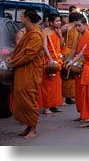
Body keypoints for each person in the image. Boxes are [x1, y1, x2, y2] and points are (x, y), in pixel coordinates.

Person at [7, 9, 44, 139]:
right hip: (22, 71)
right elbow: (20, 51)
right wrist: (12, 58)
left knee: (29, 99)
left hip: (30, 73)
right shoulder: (28, 33)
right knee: (22, 99)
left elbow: (28, 55)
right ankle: (28, 126)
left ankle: (33, 129)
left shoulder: (36, 35)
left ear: (27, 18)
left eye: (21, 17)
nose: (20, 19)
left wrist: (13, 63)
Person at [66, 13, 89, 122]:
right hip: (77, 65)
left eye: (79, 25)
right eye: (76, 26)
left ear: (85, 25)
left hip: (84, 66)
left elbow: (85, 52)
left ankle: (87, 115)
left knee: (85, 92)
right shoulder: (80, 35)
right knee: (78, 92)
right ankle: (82, 113)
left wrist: (76, 62)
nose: (77, 28)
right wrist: (68, 60)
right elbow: (74, 49)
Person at [41, 13, 64, 115]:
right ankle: (46, 108)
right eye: (57, 21)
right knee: (48, 85)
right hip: (49, 60)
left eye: (59, 21)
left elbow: (61, 45)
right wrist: (50, 59)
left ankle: (54, 105)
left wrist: (60, 36)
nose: (59, 23)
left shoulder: (57, 31)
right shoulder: (45, 32)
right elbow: (44, 46)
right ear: (50, 22)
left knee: (57, 84)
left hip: (57, 59)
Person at [61, 12, 80, 105]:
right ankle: (66, 96)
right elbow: (59, 36)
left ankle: (72, 95)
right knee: (67, 75)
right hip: (67, 51)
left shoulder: (77, 27)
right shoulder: (66, 27)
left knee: (73, 75)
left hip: (74, 52)